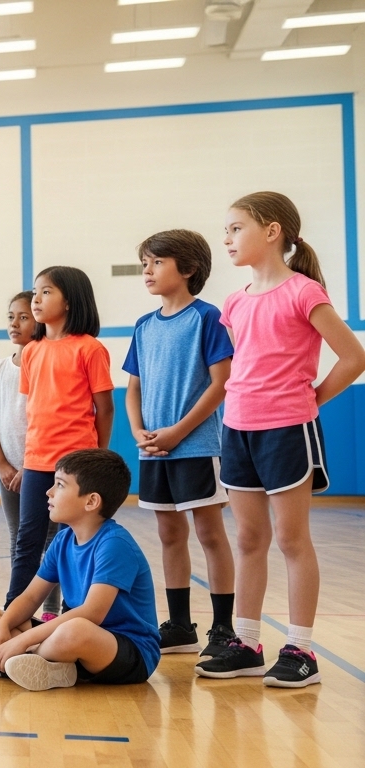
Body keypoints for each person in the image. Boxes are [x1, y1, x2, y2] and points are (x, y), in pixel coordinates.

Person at [196, 192, 365, 687]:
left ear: (272, 231)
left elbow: (353, 357)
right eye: (225, 230)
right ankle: (247, 642)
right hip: (238, 429)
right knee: (249, 538)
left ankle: (301, 650)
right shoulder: (234, 301)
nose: (226, 238)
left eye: (236, 228)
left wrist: (312, 400)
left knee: (292, 540)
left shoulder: (304, 291)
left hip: (288, 428)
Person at [0, 449, 158, 692]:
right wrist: (2, 630)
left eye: (59, 485)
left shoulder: (114, 544)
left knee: (74, 630)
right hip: (68, 645)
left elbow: (91, 614)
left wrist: (21, 641)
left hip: (127, 652)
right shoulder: (63, 540)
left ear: (91, 501)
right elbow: (29, 598)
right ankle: (32, 664)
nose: (48, 492)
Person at [123, 230, 237, 658]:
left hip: (197, 446)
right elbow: (132, 389)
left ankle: (223, 628)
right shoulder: (143, 325)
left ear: (187, 268)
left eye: (157, 262)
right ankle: (180, 625)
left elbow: (220, 384)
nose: (147, 271)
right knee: (170, 534)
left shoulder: (207, 318)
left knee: (209, 533)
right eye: (145, 264)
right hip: (152, 450)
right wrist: (138, 432)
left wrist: (177, 432)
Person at [6, 266, 113, 608]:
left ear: (70, 301)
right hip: (36, 461)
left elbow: (105, 409)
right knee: (28, 540)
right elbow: (32, 409)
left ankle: (74, 611)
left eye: (47, 292)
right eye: (36, 292)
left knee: (75, 540)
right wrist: (26, 458)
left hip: (76, 464)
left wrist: (97, 459)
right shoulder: (32, 351)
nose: (37, 299)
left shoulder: (89, 349)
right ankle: (14, 613)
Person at [0, 290, 61, 622]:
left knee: (51, 542)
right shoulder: (0, 369)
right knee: (20, 541)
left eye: (24, 316)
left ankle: (48, 611)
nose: (15, 323)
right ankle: (18, 610)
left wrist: (30, 467)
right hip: (8, 472)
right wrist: (1, 464)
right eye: (11, 316)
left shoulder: (47, 361)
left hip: (41, 467)